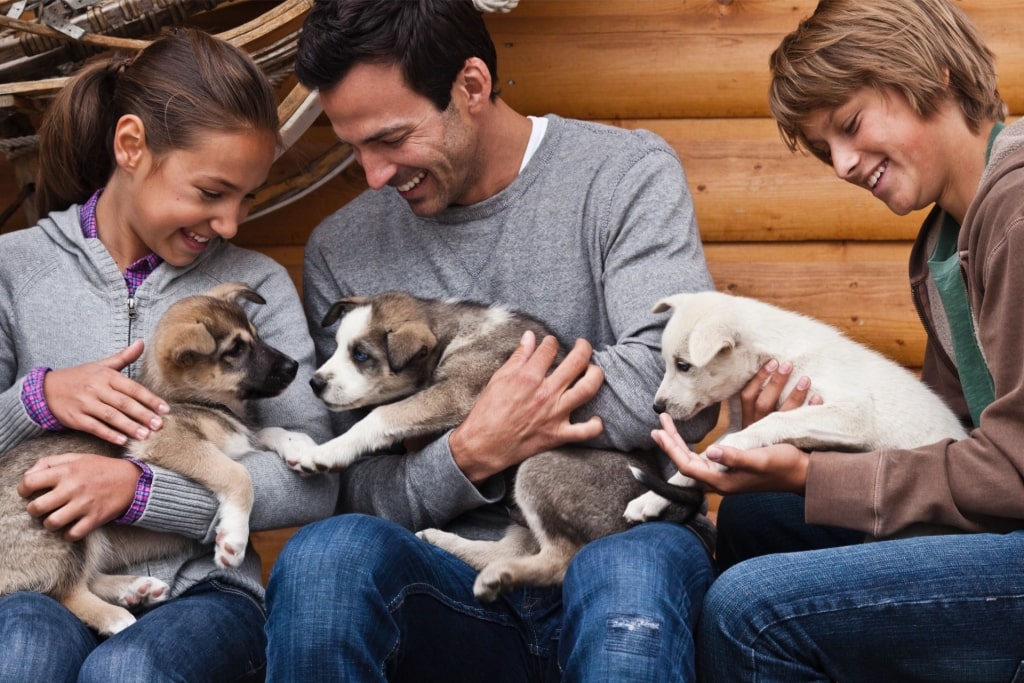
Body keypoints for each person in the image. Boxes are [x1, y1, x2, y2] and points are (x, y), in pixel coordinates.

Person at [262, 0, 720, 680]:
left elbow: (677, 385)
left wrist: (467, 418)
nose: (373, 175)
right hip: (444, 577)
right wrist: (470, 450)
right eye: (351, 147)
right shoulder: (343, 248)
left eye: (390, 139)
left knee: (629, 572)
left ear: (471, 88)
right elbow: (354, 485)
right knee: (326, 557)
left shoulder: (623, 175)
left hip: (622, 535)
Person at [650, 0, 1024, 680]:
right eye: (827, 149)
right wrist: (803, 437)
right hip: (1003, 515)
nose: (844, 164)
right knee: (754, 517)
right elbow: (947, 438)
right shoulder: (942, 241)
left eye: (850, 126)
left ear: (932, 75)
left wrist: (812, 473)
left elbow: (1013, 470)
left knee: (750, 608)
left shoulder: (1017, 218)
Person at [0, 28, 339, 683]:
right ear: (131, 146)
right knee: (22, 657)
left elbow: (316, 481)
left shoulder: (255, 283)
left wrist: (144, 492)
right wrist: (35, 398)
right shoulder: (13, 269)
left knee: (133, 671)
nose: (231, 223)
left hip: (208, 590)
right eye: (212, 192)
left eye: (247, 196)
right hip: (39, 581)